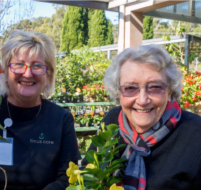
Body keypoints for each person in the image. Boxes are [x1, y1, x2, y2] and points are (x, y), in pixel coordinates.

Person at [0, 30, 81, 190]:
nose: (28, 73)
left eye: (37, 66)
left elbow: (67, 178)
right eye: (18, 65)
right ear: (5, 71)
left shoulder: (61, 119)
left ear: (48, 73)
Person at [82, 44, 201, 190]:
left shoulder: (196, 133)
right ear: (118, 92)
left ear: (170, 91)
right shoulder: (112, 120)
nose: (142, 100)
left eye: (155, 87)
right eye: (130, 88)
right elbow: (87, 174)